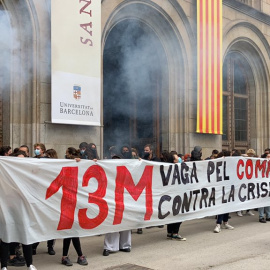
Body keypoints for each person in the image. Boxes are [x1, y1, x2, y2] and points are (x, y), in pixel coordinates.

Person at [1, 151, 37, 270]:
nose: (22, 160)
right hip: (8, 207)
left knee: (26, 236)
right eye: (19, 158)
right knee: (7, 236)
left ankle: (29, 264)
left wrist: (77, 161)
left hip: (23, 208)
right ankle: (4, 266)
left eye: (24, 158)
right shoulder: (5, 171)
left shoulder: (28, 172)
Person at [61, 147, 88, 266]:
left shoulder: (81, 164)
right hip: (66, 202)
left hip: (77, 202)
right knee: (71, 230)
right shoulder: (63, 165)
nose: (66, 156)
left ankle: (66, 256)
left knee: (72, 230)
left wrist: (94, 162)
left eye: (67, 154)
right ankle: (78, 255)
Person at [103, 153, 132, 256]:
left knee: (125, 223)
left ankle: (125, 245)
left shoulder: (126, 172)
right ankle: (109, 247)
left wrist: (140, 162)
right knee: (112, 223)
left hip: (124, 200)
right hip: (111, 200)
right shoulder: (107, 172)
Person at [166, 152, 186, 241]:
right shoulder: (174, 169)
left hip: (174, 194)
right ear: (174, 161)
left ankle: (170, 232)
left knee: (173, 214)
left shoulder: (171, 168)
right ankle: (175, 233)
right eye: (176, 157)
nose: (178, 157)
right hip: (175, 194)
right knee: (178, 214)